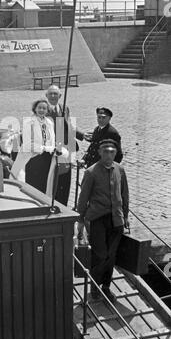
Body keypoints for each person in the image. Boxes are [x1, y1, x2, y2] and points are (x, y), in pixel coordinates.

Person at [77, 139, 129, 303]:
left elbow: (125, 194)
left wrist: (125, 217)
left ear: (116, 153)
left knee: (111, 255)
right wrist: (80, 219)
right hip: (97, 219)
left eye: (112, 151)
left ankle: (106, 286)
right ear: (99, 152)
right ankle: (94, 286)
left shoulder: (120, 170)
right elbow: (83, 198)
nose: (109, 154)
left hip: (116, 219)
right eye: (105, 151)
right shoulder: (91, 172)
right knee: (100, 254)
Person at [45, 85, 85, 206]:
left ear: (60, 96)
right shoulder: (43, 108)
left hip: (66, 150)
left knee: (64, 180)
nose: (53, 96)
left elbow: (69, 126)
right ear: (46, 96)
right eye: (50, 94)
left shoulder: (64, 108)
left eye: (55, 94)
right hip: (51, 152)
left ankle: (63, 205)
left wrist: (81, 135)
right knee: (52, 180)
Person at [11, 99, 57, 195]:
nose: (41, 110)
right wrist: (44, 148)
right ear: (35, 109)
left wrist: (52, 148)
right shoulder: (29, 122)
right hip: (31, 158)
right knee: (32, 185)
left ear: (47, 110)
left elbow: (51, 140)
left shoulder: (49, 123)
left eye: (44, 108)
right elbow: (28, 144)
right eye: (39, 107)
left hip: (46, 158)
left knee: (43, 185)